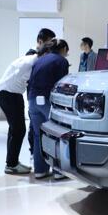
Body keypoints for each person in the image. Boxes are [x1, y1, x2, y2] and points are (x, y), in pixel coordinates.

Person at [0, 50, 38, 174]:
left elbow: (7, 79)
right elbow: (8, 80)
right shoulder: (27, 64)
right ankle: (11, 164)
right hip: (11, 96)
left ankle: (12, 162)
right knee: (19, 130)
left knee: (15, 130)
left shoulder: (21, 64)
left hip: (11, 96)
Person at [28, 39, 69, 180]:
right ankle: (58, 172)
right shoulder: (61, 61)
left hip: (33, 100)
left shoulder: (40, 60)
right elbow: (62, 84)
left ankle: (40, 170)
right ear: (63, 49)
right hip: (47, 100)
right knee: (56, 134)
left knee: (37, 135)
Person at [27, 28, 56, 154]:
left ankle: (37, 155)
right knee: (35, 128)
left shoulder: (44, 56)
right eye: (49, 42)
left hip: (37, 96)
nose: (51, 45)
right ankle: (34, 153)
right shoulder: (32, 55)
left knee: (37, 128)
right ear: (40, 41)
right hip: (35, 96)